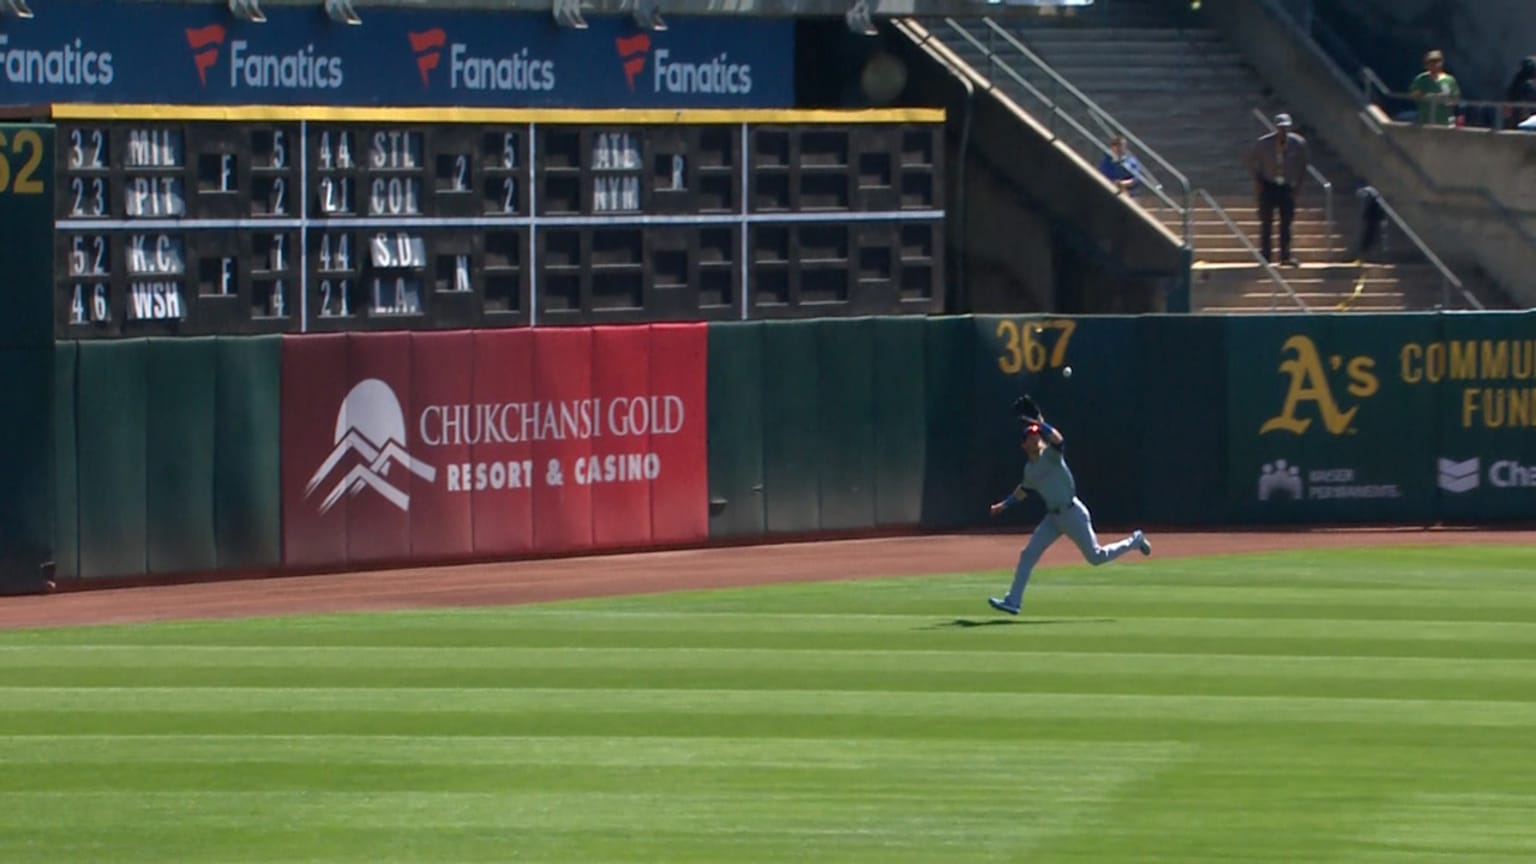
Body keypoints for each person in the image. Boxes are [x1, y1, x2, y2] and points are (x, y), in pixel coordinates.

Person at [986, 396, 1151, 616]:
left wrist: (1038, 423)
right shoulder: (1030, 470)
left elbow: (1058, 440)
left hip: (1073, 513)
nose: (1035, 439)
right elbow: (1023, 490)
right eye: (1030, 437)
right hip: (1053, 519)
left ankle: (1135, 541)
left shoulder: (1051, 456)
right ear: (1023, 445)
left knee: (1096, 557)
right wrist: (1003, 505)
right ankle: (1013, 601)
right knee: (1028, 554)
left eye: (1036, 436)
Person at [1245, 113, 1310, 266]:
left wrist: (1298, 185)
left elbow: (1303, 165)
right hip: (1268, 184)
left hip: (1286, 186)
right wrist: (1257, 179)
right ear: (1276, 127)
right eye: (1280, 127)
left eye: (1286, 128)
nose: (1283, 131)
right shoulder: (1263, 143)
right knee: (1266, 221)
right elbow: (1250, 160)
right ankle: (1265, 255)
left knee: (1286, 222)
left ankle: (1285, 255)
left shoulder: (1298, 143)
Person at [1409, 49, 1461, 126]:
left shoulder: (1449, 80)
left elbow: (1456, 98)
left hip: (1445, 121)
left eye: (1437, 61)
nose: (1434, 64)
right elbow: (1413, 95)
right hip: (1425, 121)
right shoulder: (1421, 79)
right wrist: (1429, 97)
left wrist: (1444, 100)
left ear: (1441, 62)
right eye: (1431, 62)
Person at [1504, 56, 1536, 130]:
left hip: (1517, 121)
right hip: (1525, 121)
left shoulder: (1515, 84)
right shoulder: (1527, 85)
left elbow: (1507, 110)